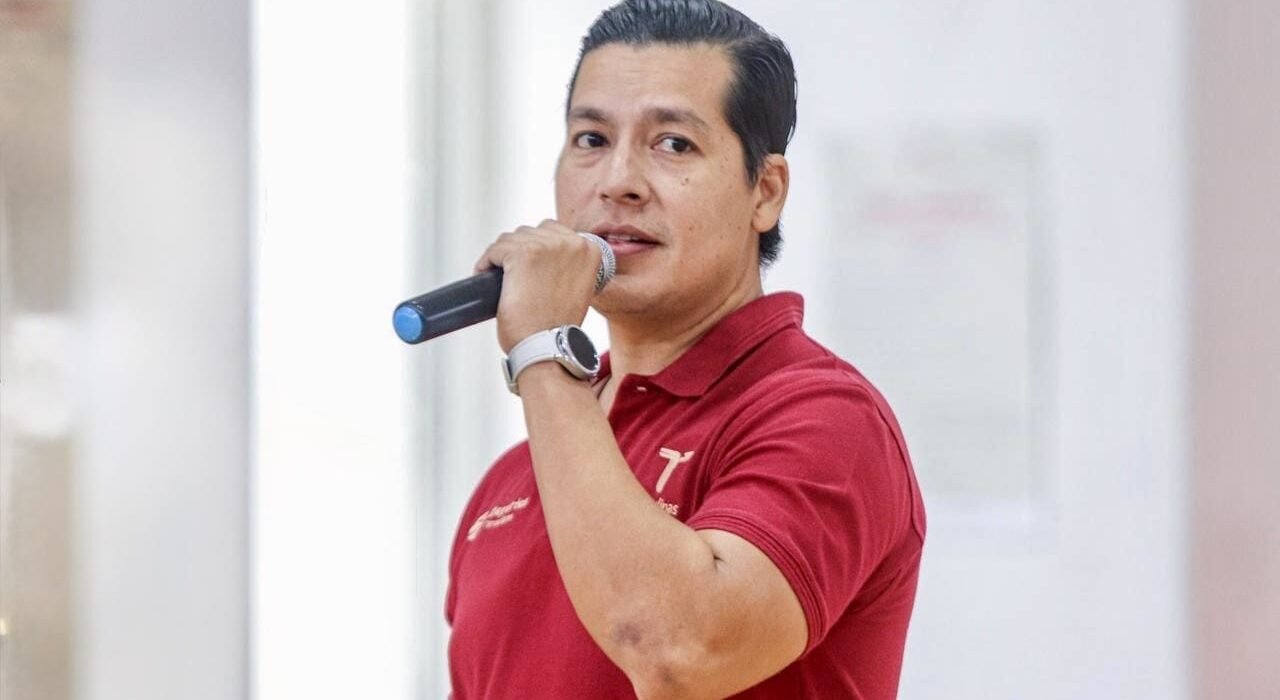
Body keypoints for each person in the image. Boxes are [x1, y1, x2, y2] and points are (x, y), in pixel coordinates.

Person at [446, 1, 926, 697]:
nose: (617, 181)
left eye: (673, 144)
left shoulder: (827, 420)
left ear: (765, 192)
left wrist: (543, 351)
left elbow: (678, 652)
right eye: (590, 139)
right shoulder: (514, 478)